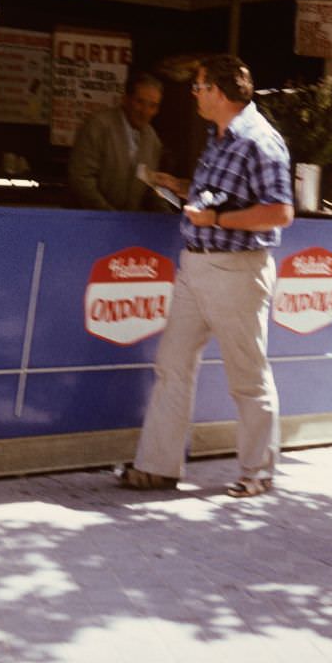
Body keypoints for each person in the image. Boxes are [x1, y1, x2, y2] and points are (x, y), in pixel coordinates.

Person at [120, 54, 294, 498]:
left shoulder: (260, 141)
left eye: (199, 87)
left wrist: (215, 219)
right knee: (173, 365)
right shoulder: (219, 138)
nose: (194, 95)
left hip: (236, 269)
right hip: (196, 264)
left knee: (247, 375)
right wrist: (180, 187)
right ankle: (157, 466)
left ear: (218, 91)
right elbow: (223, 195)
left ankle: (258, 472)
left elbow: (280, 211)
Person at [68, 69, 168, 211]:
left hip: (126, 225)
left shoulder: (152, 140)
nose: (145, 111)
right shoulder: (98, 125)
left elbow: (152, 189)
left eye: (152, 106)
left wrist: (168, 217)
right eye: (140, 102)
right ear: (125, 99)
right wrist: (109, 216)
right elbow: (81, 179)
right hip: (90, 222)